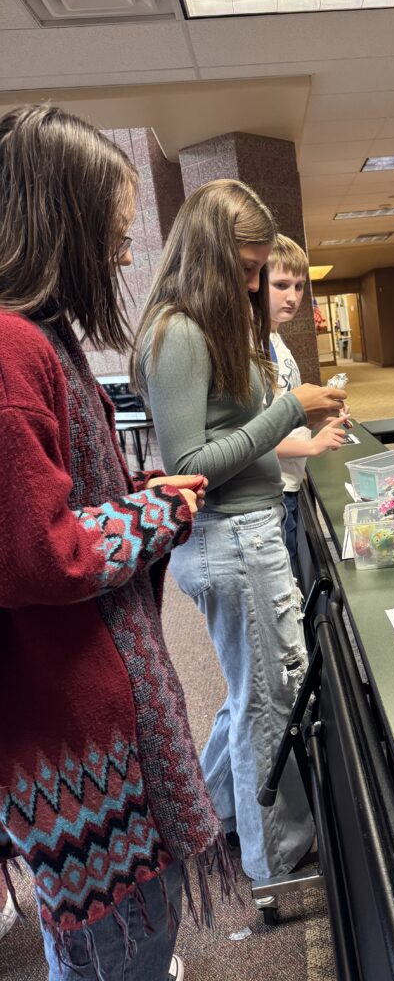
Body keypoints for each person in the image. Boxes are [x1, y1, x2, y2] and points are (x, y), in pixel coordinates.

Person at [0, 105, 229, 981]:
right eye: (113, 233)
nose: (125, 254)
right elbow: (38, 551)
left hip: (97, 715)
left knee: (131, 936)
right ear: (60, 224)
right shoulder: (13, 348)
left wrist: (135, 498)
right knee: (112, 951)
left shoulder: (43, 339)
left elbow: (71, 503)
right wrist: (155, 514)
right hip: (70, 740)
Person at [132, 180, 347, 885]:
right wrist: (288, 409)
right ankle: (276, 860)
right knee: (265, 704)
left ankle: (217, 812)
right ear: (208, 259)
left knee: (250, 692)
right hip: (228, 538)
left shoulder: (212, 327)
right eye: (247, 269)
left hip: (244, 535)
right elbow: (189, 469)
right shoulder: (180, 333)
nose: (256, 285)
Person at [267, 234, 348, 574]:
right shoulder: (253, 348)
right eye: (281, 284)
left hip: (291, 480)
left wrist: (317, 419)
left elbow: (284, 414)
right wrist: (312, 447)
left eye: (299, 286)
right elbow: (252, 438)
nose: (293, 297)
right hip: (272, 491)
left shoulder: (277, 338)